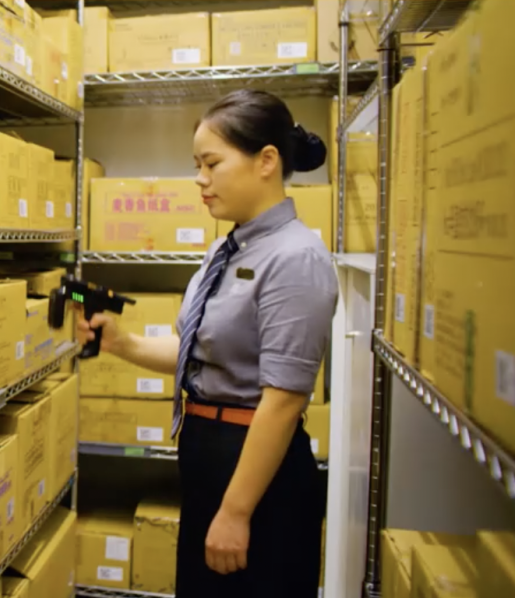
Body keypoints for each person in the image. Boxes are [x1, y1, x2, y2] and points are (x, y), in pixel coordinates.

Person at [77, 89, 337, 597]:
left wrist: (236, 511)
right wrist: (120, 343)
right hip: (208, 457)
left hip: (255, 470)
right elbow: (198, 352)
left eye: (212, 163)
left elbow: (284, 401)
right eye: (197, 165)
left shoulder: (295, 257)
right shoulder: (225, 249)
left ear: (266, 161)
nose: (200, 178)